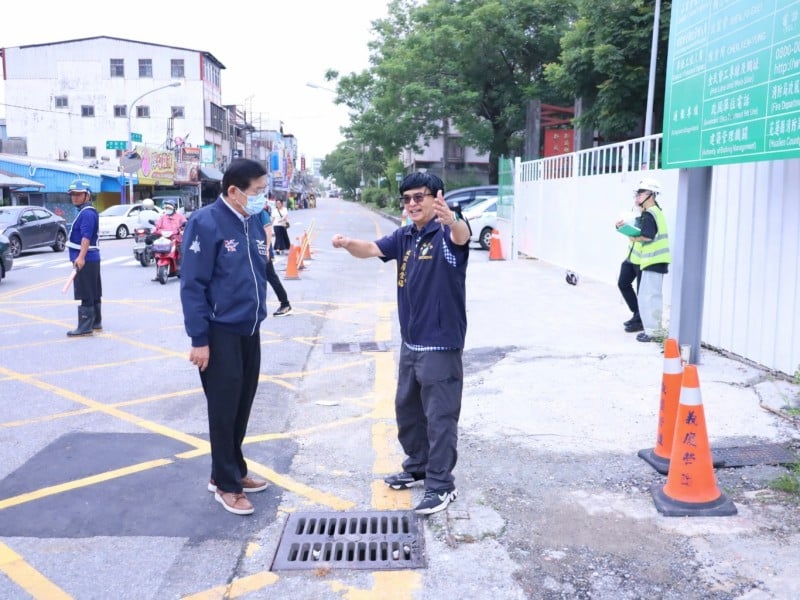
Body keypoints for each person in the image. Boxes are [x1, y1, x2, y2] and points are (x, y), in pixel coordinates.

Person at [331, 171, 471, 515]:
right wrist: (348, 243)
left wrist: (452, 218)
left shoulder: (446, 232)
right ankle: (419, 466)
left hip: (441, 345)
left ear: (437, 195)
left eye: (419, 197)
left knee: (440, 417)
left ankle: (441, 485)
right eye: (406, 199)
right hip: (411, 343)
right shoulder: (406, 235)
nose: (411, 204)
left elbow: (462, 235)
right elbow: (372, 249)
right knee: (408, 410)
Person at [179, 158, 271, 516]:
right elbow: (192, 285)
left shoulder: (250, 221)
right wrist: (199, 339)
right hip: (220, 333)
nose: (262, 198)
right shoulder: (205, 223)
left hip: (250, 329)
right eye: (257, 192)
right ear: (233, 191)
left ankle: (231, 470)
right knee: (223, 409)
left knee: (242, 404)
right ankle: (226, 485)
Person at [629, 177, 670, 343]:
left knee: (650, 297)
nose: (638, 196)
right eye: (637, 192)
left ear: (651, 195)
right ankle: (652, 330)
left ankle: (654, 332)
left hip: (655, 260)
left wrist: (634, 238)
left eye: (641, 192)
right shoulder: (653, 212)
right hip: (653, 261)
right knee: (649, 296)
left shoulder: (651, 213)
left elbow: (648, 235)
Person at [65, 179, 102, 336]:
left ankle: (85, 327)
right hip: (91, 258)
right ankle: (96, 322)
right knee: (93, 291)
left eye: (79, 194)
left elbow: (86, 238)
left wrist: (80, 258)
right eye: (73, 194)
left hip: (86, 258)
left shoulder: (87, 213)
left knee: (86, 292)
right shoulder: (87, 211)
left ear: (87, 195)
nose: (75, 197)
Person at [259, 203, 292, 316]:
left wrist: (267, 249)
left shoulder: (260, 212)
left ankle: (285, 304)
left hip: (262, 252)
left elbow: (268, 230)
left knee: (271, 277)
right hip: (253, 252)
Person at [615, 209, 643, 333]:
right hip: (631, 256)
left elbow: (648, 236)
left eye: (639, 195)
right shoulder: (634, 213)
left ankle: (640, 320)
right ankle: (637, 313)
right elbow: (629, 229)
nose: (636, 198)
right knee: (623, 283)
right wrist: (619, 226)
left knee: (642, 292)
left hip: (643, 259)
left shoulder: (650, 216)